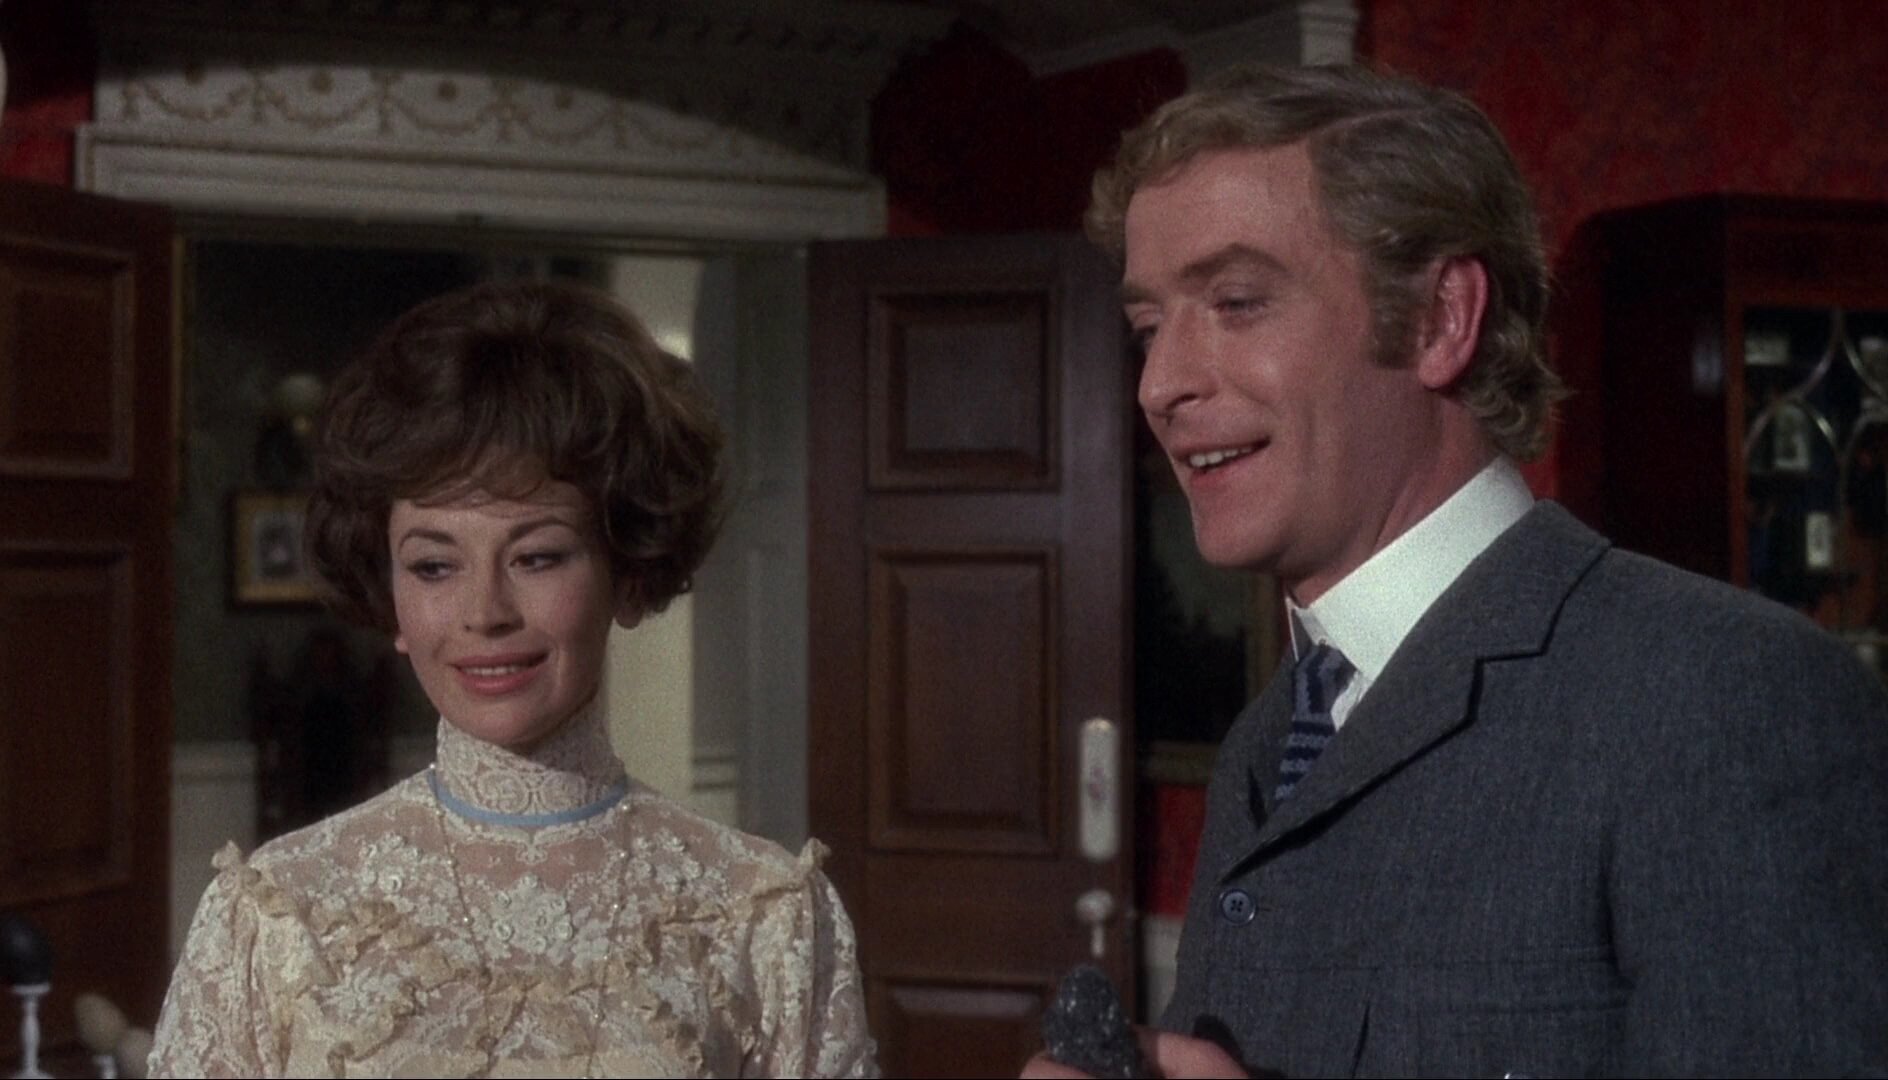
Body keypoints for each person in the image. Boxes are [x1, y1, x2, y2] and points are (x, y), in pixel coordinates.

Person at [1030, 62, 1888, 1077]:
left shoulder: (1720, 697)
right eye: (1147, 329)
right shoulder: (1275, 737)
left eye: (1237, 302)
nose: (1161, 384)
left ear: (1441, 318)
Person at [151, 280, 878, 1078]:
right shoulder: (276, 915)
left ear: (628, 574)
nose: (485, 613)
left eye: (537, 557)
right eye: (434, 566)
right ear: (390, 598)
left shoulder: (762, 915)